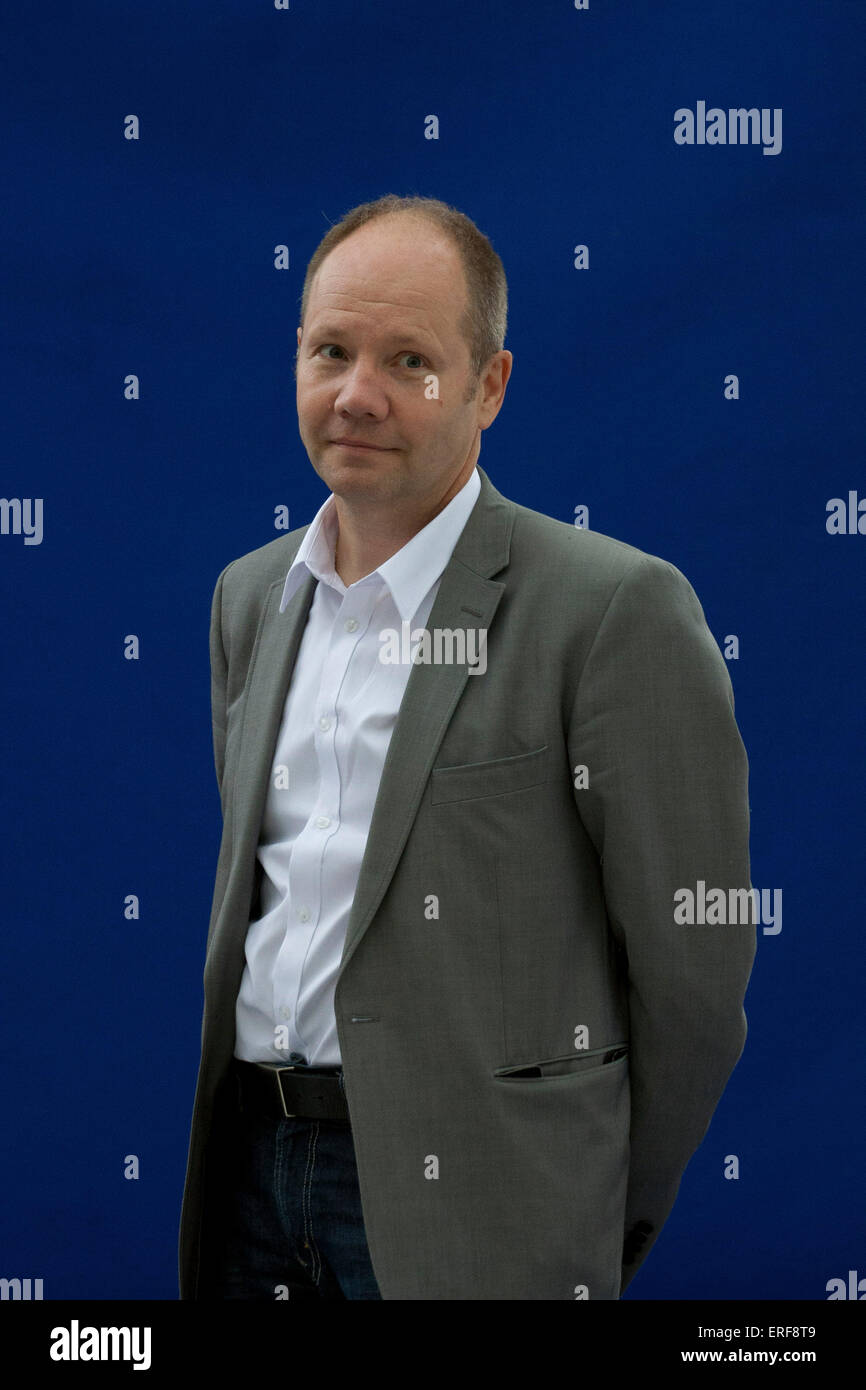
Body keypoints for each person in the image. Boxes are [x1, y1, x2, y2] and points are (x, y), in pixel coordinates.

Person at [178, 193, 755, 1301]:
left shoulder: (611, 611)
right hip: (250, 1178)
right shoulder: (247, 601)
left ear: (488, 385)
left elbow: (692, 979)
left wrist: (581, 1199)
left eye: (408, 360)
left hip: (486, 1208)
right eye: (330, 351)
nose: (357, 394)